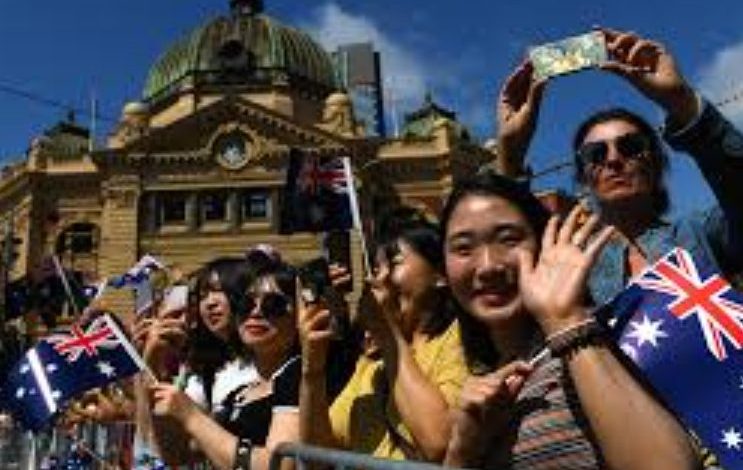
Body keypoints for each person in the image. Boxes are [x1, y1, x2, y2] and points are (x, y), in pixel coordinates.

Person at [440, 171, 697, 470]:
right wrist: (463, 449)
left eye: (508, 239)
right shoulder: (482, 387)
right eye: (463, 248)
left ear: (545, 243)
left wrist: (565, 322)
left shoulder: (610, 342)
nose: (487, 266)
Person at [495, 28, 743, 307]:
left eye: (631, 146)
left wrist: (680, 100)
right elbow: (500, 254)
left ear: (656, 164)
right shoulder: (568, 263)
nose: (613, 159)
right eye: (596, 153)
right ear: (583, 176)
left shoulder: (704, 231)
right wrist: (510, 155)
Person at [299, 211, 467, 462]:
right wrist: (312, 368)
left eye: (395, 262)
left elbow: (439, 444)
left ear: (441, 275)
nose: (380, 278)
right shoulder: (371, 363)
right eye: (377, 268)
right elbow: (317, 458)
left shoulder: (459, 339)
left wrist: (385, 331)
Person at [149, 252, 302, 470]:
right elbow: (180, 455)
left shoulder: (303, 376)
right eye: (246, 304)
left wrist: (191, 416)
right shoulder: (239, 394)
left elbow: (278, 465)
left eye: (273, 305)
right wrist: (155, 378)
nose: (256, 312)